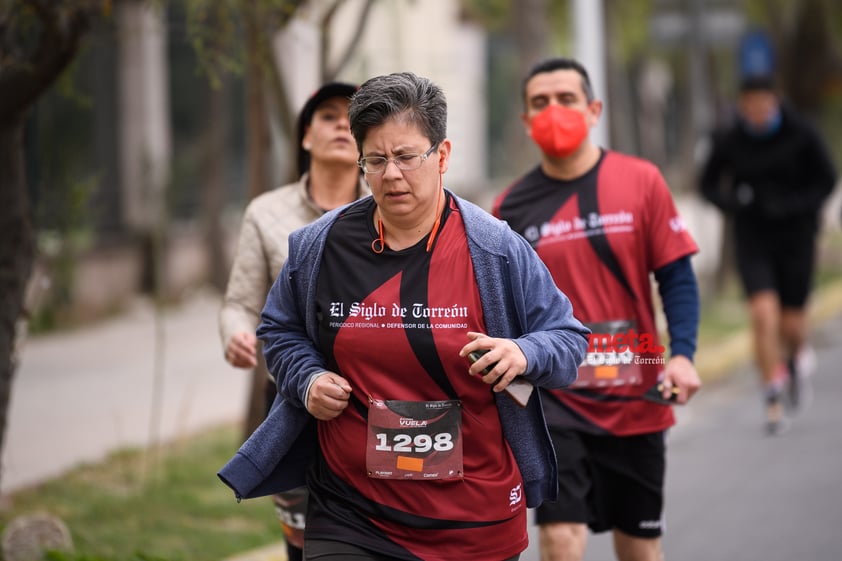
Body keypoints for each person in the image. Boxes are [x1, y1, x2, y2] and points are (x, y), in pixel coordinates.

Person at [218, 71, 590, 561]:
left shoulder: (494, 249)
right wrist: (307, 379)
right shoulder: (318, 247)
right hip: (350, 509)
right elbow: (280, 329)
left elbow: (569, 339)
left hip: (472, 519)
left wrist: (522, 352)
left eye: (407, 157)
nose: (391, 174)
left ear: (443, 156)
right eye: (376, 160)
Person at [493, 57, 702, 561]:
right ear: (525, 121)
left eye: (566, 99)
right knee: (561, 540)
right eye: (540, 103)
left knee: (639, 548)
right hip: (556, 403)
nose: (554, 111)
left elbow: (675, 276)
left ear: (593, 109)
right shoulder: (509, 210)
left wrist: (684, 354)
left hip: (638, 395)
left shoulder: (641, 181)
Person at [219, 81, 369, 561]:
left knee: (381, 539)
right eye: (328, 115)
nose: (342, 124)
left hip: (375, 401)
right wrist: (236, 335)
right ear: (306, 136)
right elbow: (240, 301)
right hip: (292, 404)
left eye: (353, 116)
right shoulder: (266, 213)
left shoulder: (392, 208)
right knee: (306, 548)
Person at [700, 74, 837, 434]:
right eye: (750, 103)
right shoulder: (730, 139)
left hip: (796, 237)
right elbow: (708, 184)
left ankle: (793, 358)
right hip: (753, 238)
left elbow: (826, 179)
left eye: (763, 102)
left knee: (792, 324)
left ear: (775, 100)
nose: (757, 110)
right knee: (763, 315)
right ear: (742, 105)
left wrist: (796, 206)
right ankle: (772, 397)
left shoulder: (801, 132)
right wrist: (735, 203)